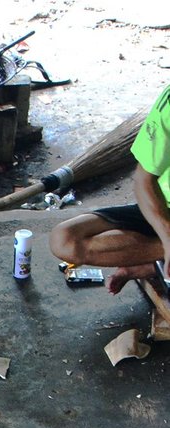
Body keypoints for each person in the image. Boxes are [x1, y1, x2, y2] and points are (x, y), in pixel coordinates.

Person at [49, 84, 170, 294]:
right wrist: (167, 237)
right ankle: (157, 258)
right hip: (163, 208)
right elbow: (143, 180)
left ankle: (150, 265)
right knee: (64, 240)